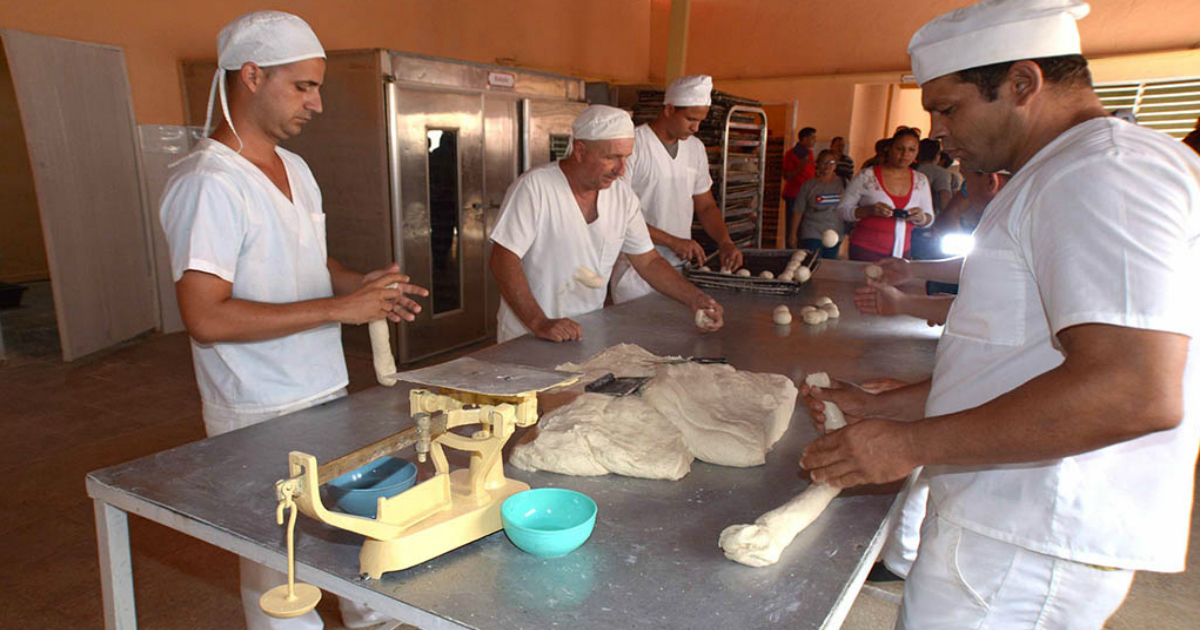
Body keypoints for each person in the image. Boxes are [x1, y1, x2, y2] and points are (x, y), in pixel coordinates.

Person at [802, 1, 1200, 628]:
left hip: (1030, 536)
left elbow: (1132, 390)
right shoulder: (1061, 172)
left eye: (948, 107)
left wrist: (909, 442)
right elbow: (1026, 349)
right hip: (1004, 523)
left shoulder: (1103, 174)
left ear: (1022, 83)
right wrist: (900, 402)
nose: (937, 131)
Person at [158, 11, 428, 630]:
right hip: (256, 406)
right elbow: (205, 317)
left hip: (322, 391)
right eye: (304, 86)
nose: (318, 103)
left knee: (348, 530)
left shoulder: (294, 169)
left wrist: (356, 285)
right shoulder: (209, 183)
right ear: (252, 76)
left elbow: (305, 256)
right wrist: (340, 309)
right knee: (277, 567)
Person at [489, 105, 724, 343]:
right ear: (580, 150)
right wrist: (539, 322)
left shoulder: (621, 197)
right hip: (527, 337)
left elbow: (649, 261)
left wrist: (694, 298)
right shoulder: (535, 188)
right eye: (611, 157)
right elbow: (503, 258)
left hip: (585, 332)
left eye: (626, 158)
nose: (621, 170)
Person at [610, 75, 743, 303]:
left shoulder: (695, 149)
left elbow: (706, 205)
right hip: (636, 273)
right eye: (690, 119)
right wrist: (672, 241)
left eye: (700, 120)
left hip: (680, 270)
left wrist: (725, 241)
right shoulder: (634, 146)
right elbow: (618, 214)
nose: (696, 127)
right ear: (670, 109)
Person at [837, 128, 934, 262]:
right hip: (865, 250)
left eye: (912, 150)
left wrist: (920, 218)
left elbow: (929, 218)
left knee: (894, 284)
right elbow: (842, 211)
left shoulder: (921, 181)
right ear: (889, 148)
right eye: (900, 148)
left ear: (917, 153)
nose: (905, 154)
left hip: (901, 253)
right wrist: (868, 211)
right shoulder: (867, 176)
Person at [790, 149, 844, 256]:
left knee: (829, 266)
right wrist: (792, 234)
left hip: (835, 233)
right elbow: (798, 210)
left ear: (836, 165)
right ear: (817, 164)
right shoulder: (808, 186)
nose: (827, 166)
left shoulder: (843, 184)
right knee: (812, 263)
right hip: (812, 232)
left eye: (831, 162)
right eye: (823, 162)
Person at [782, 127, 817, 245]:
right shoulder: (791, 154)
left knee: (805, 227)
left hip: (808, 196)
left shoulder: (810, 154)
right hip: (794, 195)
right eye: (813, 138)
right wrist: (800, 166)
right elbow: (787, 176)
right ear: (804, 139)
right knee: (792, 228)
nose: (815, 140)